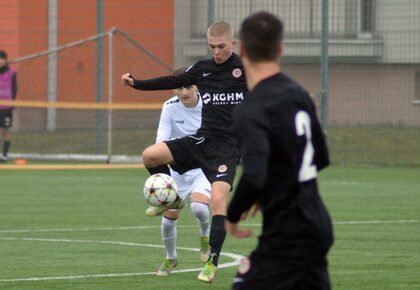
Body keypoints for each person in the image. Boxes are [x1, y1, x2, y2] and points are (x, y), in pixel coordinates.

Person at [121, 21, 247, 283]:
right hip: (201, 141)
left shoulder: (245, 71)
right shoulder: (202, 69)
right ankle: (174, 200)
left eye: (221, 47)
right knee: (150, 155)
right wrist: (137, 84)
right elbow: (172, 80)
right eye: (212, 47)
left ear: (233, 44)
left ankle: (211, 263)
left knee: (218, 201)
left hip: (227, 149)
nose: (216, 52)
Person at [226, 12, 334, 290]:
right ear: (279, 50)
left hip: (289, 235)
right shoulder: (298, 94)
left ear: (241, 50)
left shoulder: (252, 108)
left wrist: (232, 214)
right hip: (317, 224)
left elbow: (254, 175)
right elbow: (319, 157)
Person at [153, 68, 212, 276]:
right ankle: (171, 258)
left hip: (201, 169)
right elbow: (161, 140)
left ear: (196, 86)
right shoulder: (169, 107)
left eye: (188, 86)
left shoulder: (209, 104)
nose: (184, 91)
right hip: (176, 171)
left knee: (198, 208)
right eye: (179, 87)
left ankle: (205, 239)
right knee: (168, 220)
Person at [0, 50, 17, 163]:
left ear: (5, 60)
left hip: (6, 107)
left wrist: (13, 102)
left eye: (2, 59)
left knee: (5, 130)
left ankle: (4, 155)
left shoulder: (12, 72)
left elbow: (14, 88)